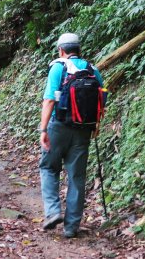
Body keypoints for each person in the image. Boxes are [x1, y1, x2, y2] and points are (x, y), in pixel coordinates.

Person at [39, 33, 104, 238]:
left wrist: (43, 130)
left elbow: (50, 100)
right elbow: (101, 97)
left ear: (61, 50)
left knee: (49, 167)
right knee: (77, 177)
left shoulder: (59, 67)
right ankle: (71, 227)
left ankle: (53, 212)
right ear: (78, 49)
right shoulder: (92, 69)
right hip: (84, 129)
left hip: (58, 127)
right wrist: (96, 124)